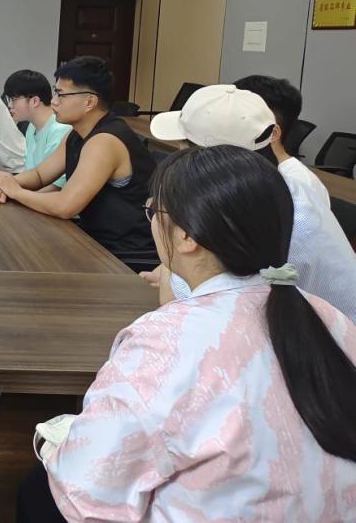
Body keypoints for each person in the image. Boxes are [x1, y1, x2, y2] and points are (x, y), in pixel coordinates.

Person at [19, 145, 356, 522]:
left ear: (186, 236)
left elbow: (86, 488)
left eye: (154, 211)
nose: (151, 221)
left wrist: (52, 445)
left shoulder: (164, 343)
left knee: (39, 489)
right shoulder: (329, 317)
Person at [147, 81, 356, 322]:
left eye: (182, 146)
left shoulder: (255, 208)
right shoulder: (276, 188)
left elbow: (183, 298)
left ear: (204, 159)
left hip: (326, 338)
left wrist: (169, 264)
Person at [0, 56, 156, 262]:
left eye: (61, 95)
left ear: (89, 102)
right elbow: (40, 175)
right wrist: (5, 186)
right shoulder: (76, 134)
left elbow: (65, 206)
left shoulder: (104, 141)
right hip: (96, 239)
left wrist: (15, 192)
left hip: (124, 251)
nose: (54, 101)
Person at [2, 69, 71, 188]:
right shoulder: (32, 126)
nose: (9, 105)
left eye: (13, 99)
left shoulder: (59, 130)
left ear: (34, 101)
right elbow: (30, 172)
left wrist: (16, 193)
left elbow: (57, 186)